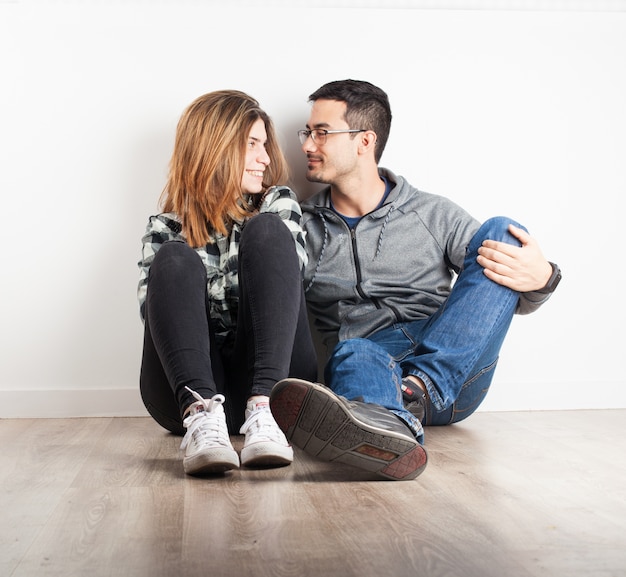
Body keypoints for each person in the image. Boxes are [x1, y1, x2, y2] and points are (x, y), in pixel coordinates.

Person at [269, 79, 561, 481]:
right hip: (366, 362)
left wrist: (543, 278)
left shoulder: (431, 213)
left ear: (364, 141)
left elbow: (501, 293)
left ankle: (419, 391)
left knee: (502, 231)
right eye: (308, 132)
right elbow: (274, 300)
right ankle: (391, 427)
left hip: (451, 364)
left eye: (322, 133)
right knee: (353, 352)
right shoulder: (302, 225)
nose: (306, 145)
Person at [138, 90, 317, 476]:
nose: (265, 158)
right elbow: (157, 324)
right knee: (172, 257)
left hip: (276, 380)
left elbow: (286, 291)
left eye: (264, 146)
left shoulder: (277, 203)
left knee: (268, 231)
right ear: (215, 149)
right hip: (188, 393)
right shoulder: (163, 228)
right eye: (252, 145)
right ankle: (202, 417)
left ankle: (264, 409)